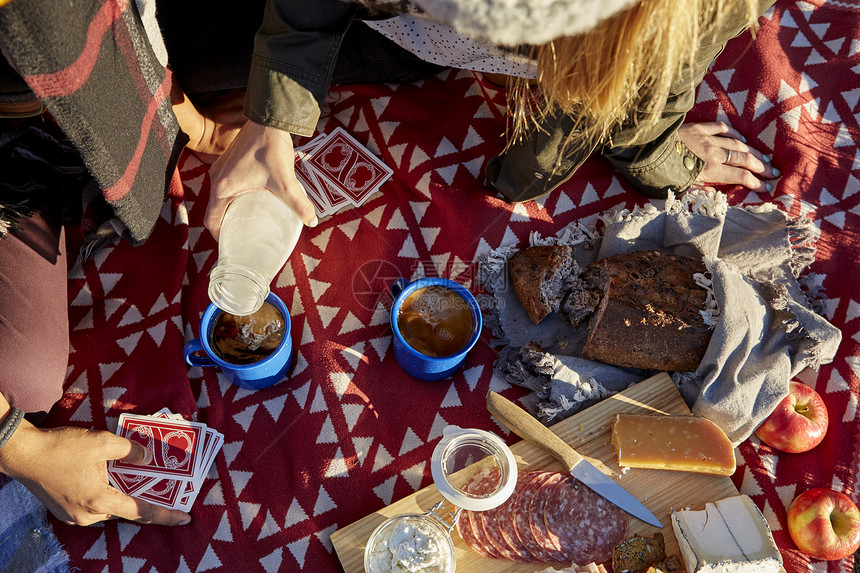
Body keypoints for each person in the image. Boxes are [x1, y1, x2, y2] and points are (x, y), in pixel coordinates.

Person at [203, 0, 780, 241]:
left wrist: (656, 154)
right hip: (378, 23)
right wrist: (272, 115)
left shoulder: (690, 14)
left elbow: (646, 83)